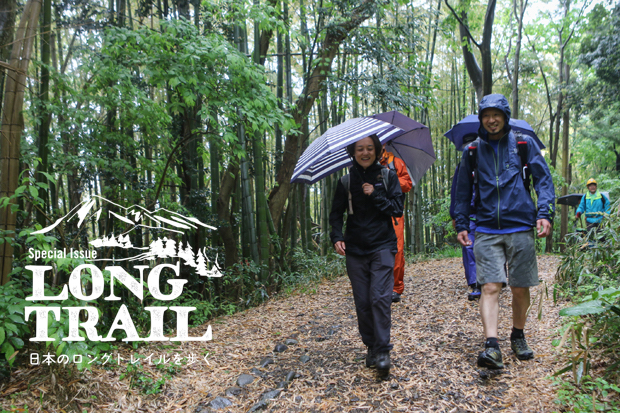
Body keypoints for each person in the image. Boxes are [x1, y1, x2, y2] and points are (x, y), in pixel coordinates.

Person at [454, 94, 555, 369]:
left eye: (496, 114)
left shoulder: (524, 144)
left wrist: (544, 213)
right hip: (486, 227)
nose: (491, 120)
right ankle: (492, 346)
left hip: (520, 225)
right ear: (481, 119)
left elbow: (543, 181)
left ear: (505, 117)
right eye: (486, 115)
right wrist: (462, 223)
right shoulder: (472, 151)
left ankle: (518, 335)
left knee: (520, 287)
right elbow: (462, 190)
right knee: (489, 286)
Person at [330, 134, 403, 378]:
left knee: (380, 298)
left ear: (377, 150)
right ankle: (371, 346)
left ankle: (382, 351)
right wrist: (336, 237)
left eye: (370, 148)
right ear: (353, 152)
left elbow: (397, 209)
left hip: (382, 245)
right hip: (355, 249)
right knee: (362, 302)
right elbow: (335, 214)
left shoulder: (388, 176)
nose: (365, 153)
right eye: (360, 149)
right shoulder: (346, 181)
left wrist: (376, 194)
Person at [380, 144, 413, 303]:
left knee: (397, 249)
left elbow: (407, 184)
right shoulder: (365, 162)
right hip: (374, 213)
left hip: (394, 213)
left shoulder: (396, 163)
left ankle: (395, 287)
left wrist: (389, 178)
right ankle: (379, 285)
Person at [449, 133, 480, 301]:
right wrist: (455, 215)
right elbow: (457, 193)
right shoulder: (461, 167)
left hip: (488, 213)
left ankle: (496, 279)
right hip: (469, 213)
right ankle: (475, 283)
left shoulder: (489, 162)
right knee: (469, 246)